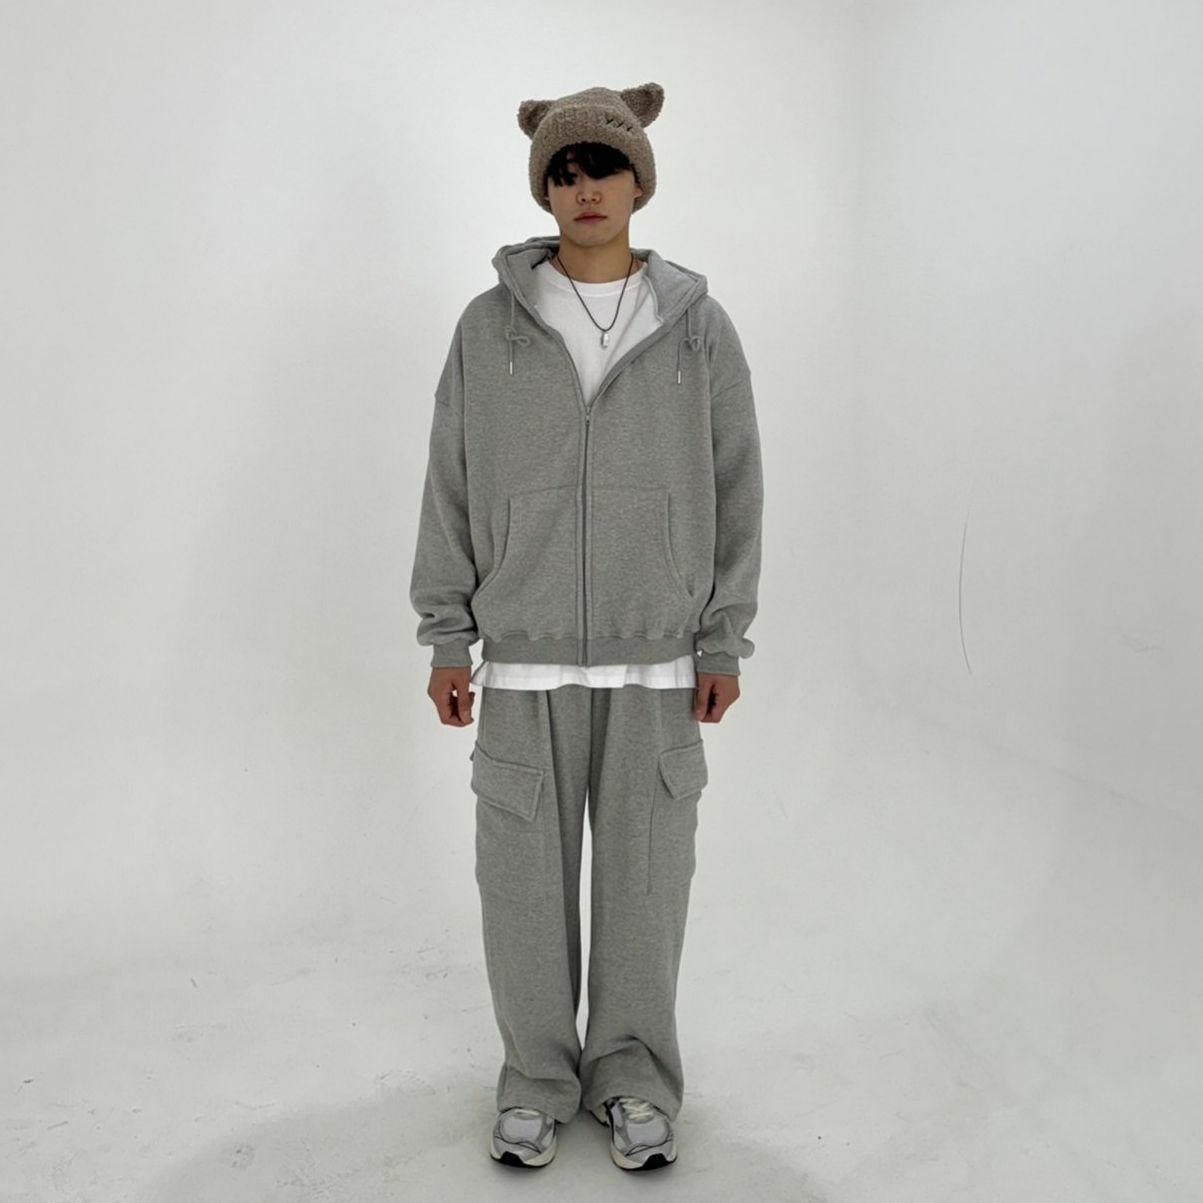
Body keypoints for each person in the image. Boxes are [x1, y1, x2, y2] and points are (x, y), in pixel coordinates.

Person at [408, 81, 764, 1172]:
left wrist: (721, 636)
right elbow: (450, 482)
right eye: (563, 172)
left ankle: (635, 1078)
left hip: (657, 658)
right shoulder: (489, 327)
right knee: (520, 889)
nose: (585, 188)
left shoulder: (695, 326)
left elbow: (736, 485)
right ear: (544, 190)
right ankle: (534, 1080)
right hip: (520, 662)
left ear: (639, 181)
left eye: (603, 166)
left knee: (646, 888)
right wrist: (447, 634)